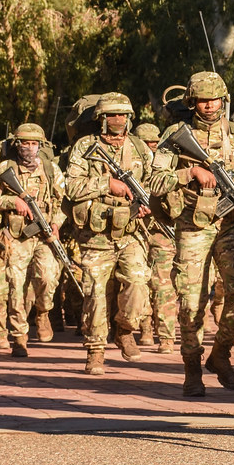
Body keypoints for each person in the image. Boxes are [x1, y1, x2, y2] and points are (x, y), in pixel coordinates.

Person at [149, 72, 234, 395]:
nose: (209, 106)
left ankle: (221, 353)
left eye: (214, 99)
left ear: (224, 100)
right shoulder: (176, 134)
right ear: (191, 102)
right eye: (202, 100)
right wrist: (190, 172)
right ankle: (192, 368)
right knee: (190, 301)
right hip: (192, 227)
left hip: (230, 224)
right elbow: (155, 182)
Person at [64, 93, 153, 375]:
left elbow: (153, 182)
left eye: (122, 115)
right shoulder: (85, 147)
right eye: (111, 115)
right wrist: (107, 184)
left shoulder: (139, 148)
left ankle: (124, 329)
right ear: (100, 119)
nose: (118, 120)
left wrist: (149, 205)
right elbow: (71, 187)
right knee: (95, 294)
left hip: (130, 232)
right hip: (96, 234)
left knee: (138, 283)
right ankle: (95, 351)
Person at [0, 124, 67, 357]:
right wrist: (13, 202)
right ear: (17, 145)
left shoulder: (51, 170)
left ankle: (42, 312)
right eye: (25, 143)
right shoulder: (5, 168)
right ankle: (19, 337)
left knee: (49, 278)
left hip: (44, 235)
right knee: (15, 287)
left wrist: (56, 224)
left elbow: (64, 203)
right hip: (17, 237)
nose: (30, 148)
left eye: (34, 144)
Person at [134, 122, 179, 354]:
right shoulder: (133, 167)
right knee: (140, 283)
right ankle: (144, 326)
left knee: (163, 285)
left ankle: (166, 336)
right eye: (146, 144)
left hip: (162, 232)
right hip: (137, 233)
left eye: (155, 143)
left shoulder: (165, 165)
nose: (151, 148)